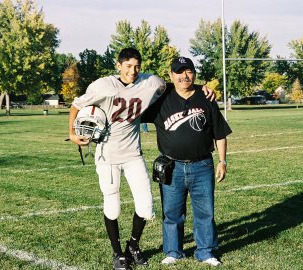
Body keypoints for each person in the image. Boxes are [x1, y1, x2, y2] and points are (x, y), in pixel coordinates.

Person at [69, 48, 215, 270]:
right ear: (118, 65)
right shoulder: (103, 85)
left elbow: (179, 84)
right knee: (113, 206)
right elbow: (76, 104)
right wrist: (72, 133)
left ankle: (133, 246)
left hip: (133, 154)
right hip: (107, 155)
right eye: (128, 66)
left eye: (137, 66)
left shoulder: (151, 82)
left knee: (146, 208)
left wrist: (200, 88)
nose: (133, 71)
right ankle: (118, 253)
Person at [142, 56, 232, 267]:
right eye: (179, 72)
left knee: (205, 212)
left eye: (188, 71)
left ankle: (205, 251)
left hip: (202, 165)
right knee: (172, 213)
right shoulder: (161, 100)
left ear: (194, 73)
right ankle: (173, 251)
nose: (184, 76)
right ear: (171, 76)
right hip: (172, 166)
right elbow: (134, 106)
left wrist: (222, 161)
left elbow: (220, 133)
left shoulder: (206, 98)